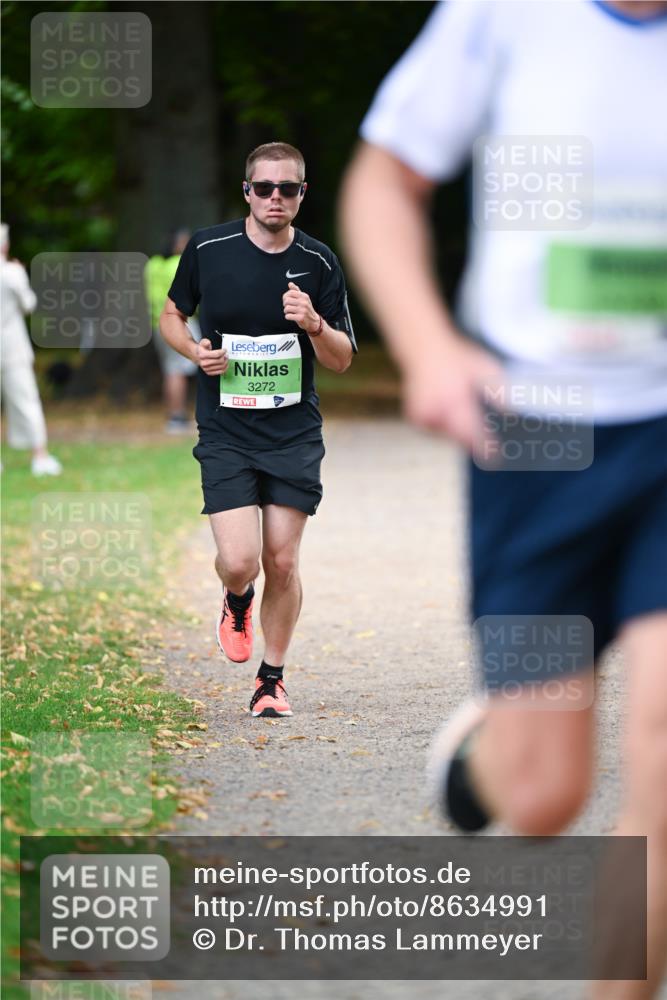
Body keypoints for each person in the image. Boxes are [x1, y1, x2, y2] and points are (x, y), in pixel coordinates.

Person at [340, 1, 666, 996]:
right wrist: (431, 348)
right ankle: (487, 759)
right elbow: (383, 182)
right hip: (532, 428)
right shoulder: (502, 12)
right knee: (543, 792)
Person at [160, 142, 356, 718]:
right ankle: (236, 597)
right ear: (246, 191)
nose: (276, 198)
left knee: (285, 560)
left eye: (288, 189)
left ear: (301, 194)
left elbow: (342, 358)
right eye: (264, 188)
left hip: (293, 433)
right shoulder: (208, 247)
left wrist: (315, 323)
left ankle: (272, 679)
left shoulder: (320, 262)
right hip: (225, 429)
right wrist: (196, 352)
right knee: (242, 560)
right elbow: (171, 315)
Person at [0, 223, 62, 476]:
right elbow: (29, 303)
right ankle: (40, 455)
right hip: (12, 345)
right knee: (27, 400)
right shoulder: (12, 272)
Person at [145, 229, 201, 434]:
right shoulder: (178, 265)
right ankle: (178, 415)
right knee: (182, 368)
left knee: (170, 369)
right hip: (180, 320)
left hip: (157, 323)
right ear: (176, 244)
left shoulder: (152, 265)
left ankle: (174, 414)